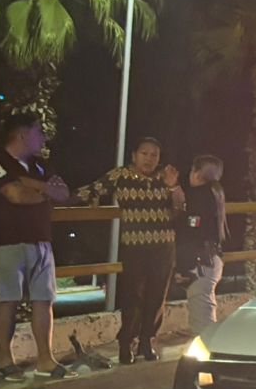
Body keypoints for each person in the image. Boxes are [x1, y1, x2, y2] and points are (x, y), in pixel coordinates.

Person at [0, 112, 74, 381]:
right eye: (38, 132)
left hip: (41, 240)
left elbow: (63, 192)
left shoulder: (39, 165)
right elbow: (16, 195)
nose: (43, 137)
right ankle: (5, 362)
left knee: (44, 300)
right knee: (9, 300)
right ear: (23, 134)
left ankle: (45, 360)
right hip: (7, 241)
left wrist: (33, 185)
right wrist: (45, 190)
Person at [78, 136, 184, 362]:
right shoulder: (121, 175)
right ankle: (126, 342)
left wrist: (173, 186)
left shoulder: (165, 177)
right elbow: (92, 191)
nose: (149, 159)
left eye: (154, 155)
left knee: (157, 296)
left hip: (164, 246)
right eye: (144, 153)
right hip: (134, 245)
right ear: (134, 155)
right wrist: (58, 197)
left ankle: (147, 341)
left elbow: (181, 210)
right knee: (132, 295)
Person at [177, 155, 227, 334]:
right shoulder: (215, 194)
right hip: (212, 260)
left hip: (200, 264)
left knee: (202, 326)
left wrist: (183, 267)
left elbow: (193, 233)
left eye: (192, 170)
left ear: (197, 174)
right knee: (204, 318)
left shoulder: (198, 197)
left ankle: (209, 352)